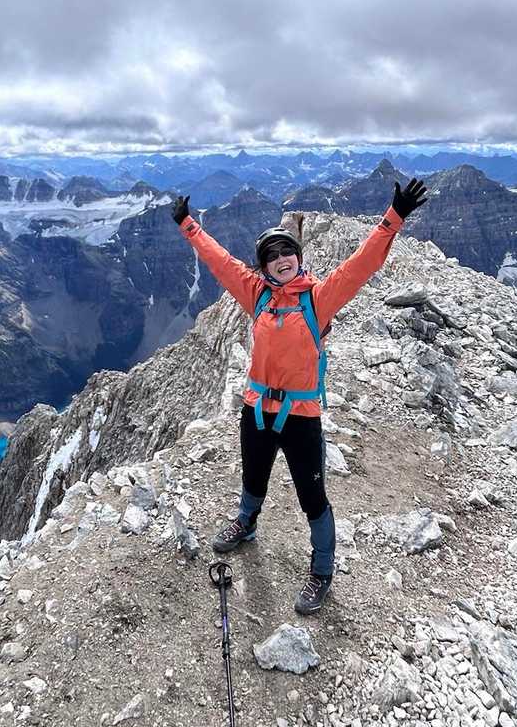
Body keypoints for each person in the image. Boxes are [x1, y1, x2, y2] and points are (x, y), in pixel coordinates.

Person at [170, 178, 428, 614]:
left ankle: (321, 570)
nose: (281, 259)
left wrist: (394, 217)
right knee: (253, 477)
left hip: (301, 415)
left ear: (298, 257)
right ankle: (246, 524)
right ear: (264, 268)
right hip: (256, 409)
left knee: (312, 496)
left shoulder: (318, 299)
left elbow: (360, 265)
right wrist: (188, 225)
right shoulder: (257, 296)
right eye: (271, 256)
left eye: (286, 251)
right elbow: (221, 263)